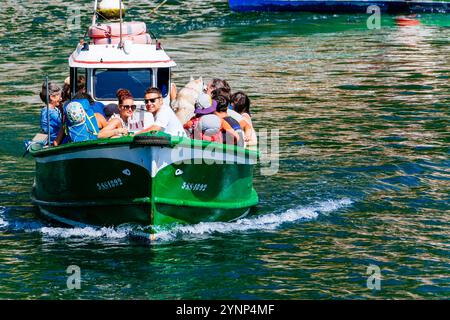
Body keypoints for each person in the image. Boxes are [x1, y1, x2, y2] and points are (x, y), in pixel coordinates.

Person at [39, 81, 63, 145]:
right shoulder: (51, 113)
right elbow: (64, 125)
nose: (61, 99)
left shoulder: (45, 110)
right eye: (59, 96)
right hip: (54, 142)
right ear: (52, 97)